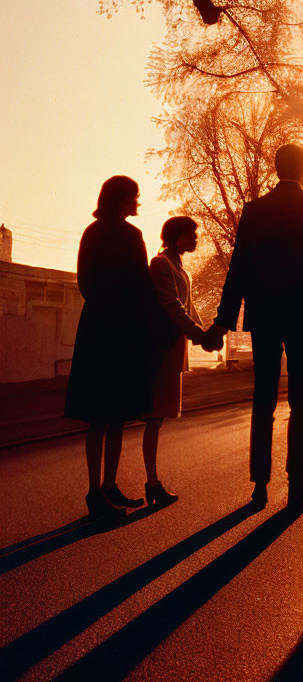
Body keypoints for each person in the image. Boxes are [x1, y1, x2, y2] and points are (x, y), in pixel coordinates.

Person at [206, 144, 303, 509]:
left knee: (263, 400)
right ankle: (296, 484)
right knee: (301, 402)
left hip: (264, 315)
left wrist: (222, 322)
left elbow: (239, 270)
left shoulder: (255, 210)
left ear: (276, 169)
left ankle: (260, 484)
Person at [65, 176, 177, 519]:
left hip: (97, 329)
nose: (138, 203)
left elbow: (84, 282)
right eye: (135, 197)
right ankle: (98, 492)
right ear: (121, 200)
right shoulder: (131, 236)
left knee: (104, 416)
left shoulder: (91, 232)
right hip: (121, 333)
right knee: (111, 416)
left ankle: (103, 490)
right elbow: (142, 289)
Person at [143, 216, 207, 507]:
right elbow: (173, 306)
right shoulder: (161, 264)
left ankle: (153, 482)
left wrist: (206, 334)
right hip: (161, 350)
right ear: (178, 237)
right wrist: (201, 335)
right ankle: (152, 483)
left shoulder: (180, 268)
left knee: (158, 419)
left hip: (174, 349)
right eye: (192, 234)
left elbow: (190, 308)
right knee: (154, 418)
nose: (196, 239)